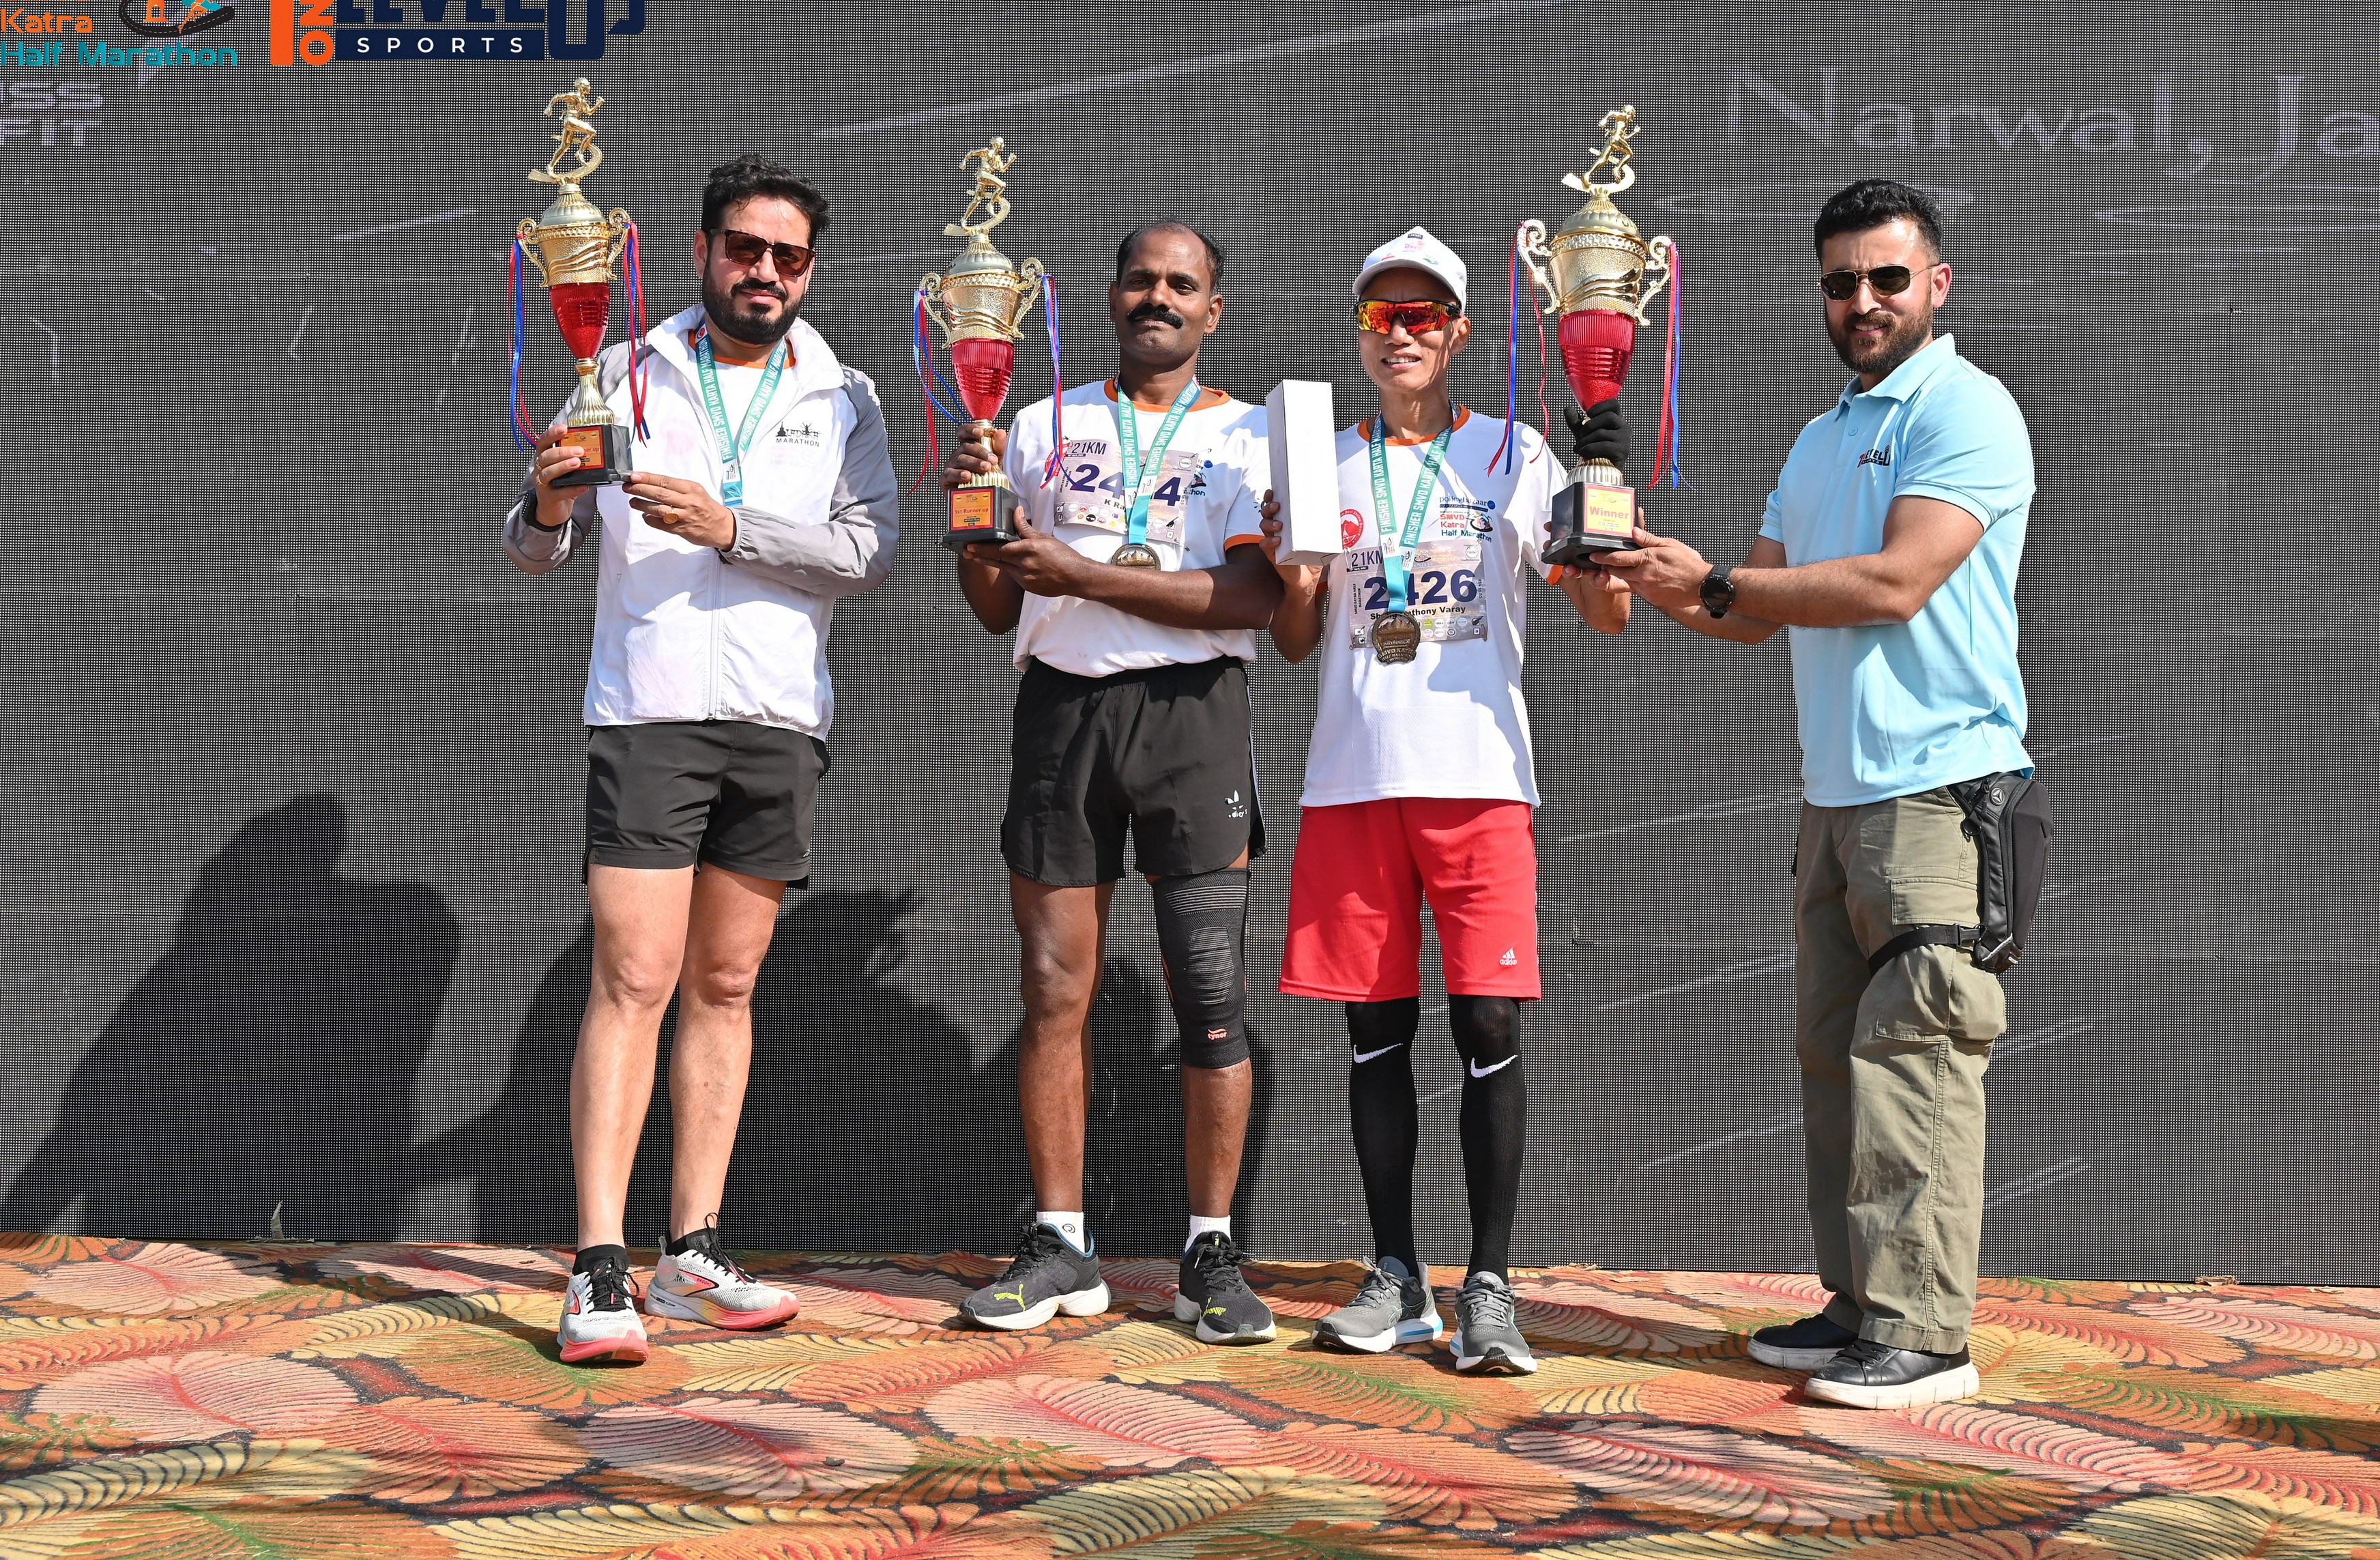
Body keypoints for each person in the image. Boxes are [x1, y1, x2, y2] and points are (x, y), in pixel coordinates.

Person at [1594, 179, 2033, 1409]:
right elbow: (1750, 613)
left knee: (1916, 1054)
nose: (1864, 301)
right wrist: (1652, 574)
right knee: (1836, 1060)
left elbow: (1895, 582)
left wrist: (1719, 584)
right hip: (1835, 801)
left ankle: (1926, 1333)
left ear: (1936, 284)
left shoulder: (1967, 408)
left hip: (1941, 792)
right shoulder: (1819, 436)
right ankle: (1860, 1305)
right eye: (1842, 282)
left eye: (1888, 277)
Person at [504, 153, 899, 1363]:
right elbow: (536, 549)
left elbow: (868, 551)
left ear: (810, 271)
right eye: (745, 248)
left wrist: (734, 528)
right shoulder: (620, 372)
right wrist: (549, 505)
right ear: (702, 251)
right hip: (651, 713)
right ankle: (599, 1265)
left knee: (725, 985)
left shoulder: (846, 393)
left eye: (788, 256)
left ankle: (693, 1250)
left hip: (779, 722)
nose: (764, 271)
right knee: (634, 976)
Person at [1258, 227, 1629, 1375]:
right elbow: (1295, 638)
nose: (1402, 334)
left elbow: (1608, 613)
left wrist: (1603, 508)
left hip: (1477, 780)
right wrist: (1295, 576)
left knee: (1488, 1025)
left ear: (1459, 331)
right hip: (1356, 778)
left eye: (1424, 316)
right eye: (1383, 316)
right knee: (1373, 1033)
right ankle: (1396, 1275)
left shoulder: (1515, 453)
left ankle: (1491, 1287)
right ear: (1360, 330)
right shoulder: (1322, 460)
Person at [942, 220, 1283, 1344]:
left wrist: (1083, 573)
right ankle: (1061, 1243)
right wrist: (975, 528)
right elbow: (998, 606)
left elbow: (1252, 601)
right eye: (1141, 278)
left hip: (1195, 717)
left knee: (1210, 994)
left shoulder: (1252, 434)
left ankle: (1208, 1253)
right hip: (1065, 712)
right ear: (1111, 294)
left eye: (1183, 284)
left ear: (1213, 309)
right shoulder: (1040, 423)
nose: (1158, 297)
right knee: (1053, 986)